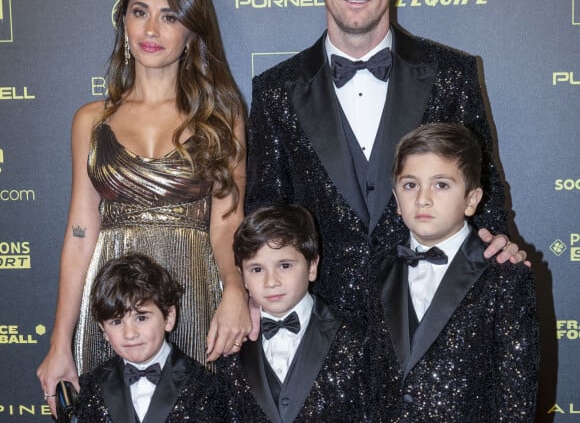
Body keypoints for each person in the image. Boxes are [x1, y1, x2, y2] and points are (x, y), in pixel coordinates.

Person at [246, 0, 525, 315]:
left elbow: (482, 182)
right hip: (322, 329)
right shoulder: (275, 90)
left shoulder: (451, 73)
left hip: (430, 322)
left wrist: (496, 240)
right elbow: (266, 208)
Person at [38, 0, 251, 416]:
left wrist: (235, 290)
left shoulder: (221, 118)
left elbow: (228, 223)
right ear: (124, 22)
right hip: (111, 299)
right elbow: (79, 235)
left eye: (170, 16)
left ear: (192, 32)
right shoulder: (90, 121)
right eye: (140, 12)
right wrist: (59, 342)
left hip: (194, 294)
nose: (151, 28)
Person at [372, 123, 539, 422]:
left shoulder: (505, 277)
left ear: (472, 200)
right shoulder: (376, 273)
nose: (423, 198)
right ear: (396, 199)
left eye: (441, 184)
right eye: (410, 185)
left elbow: (515, 398)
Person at [224, 204, 373, 422]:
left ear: (312, 266)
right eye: (257, 269)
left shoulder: (357, 336)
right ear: (242, 276)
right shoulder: (232, 346)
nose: (271, 282)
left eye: (284, 265)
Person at [75, 252, 229, 422]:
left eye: (141, 318)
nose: (130, 334)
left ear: (168, 317)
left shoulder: (204, 386)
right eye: (116, 322)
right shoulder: (90, 387)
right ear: (103, 329)